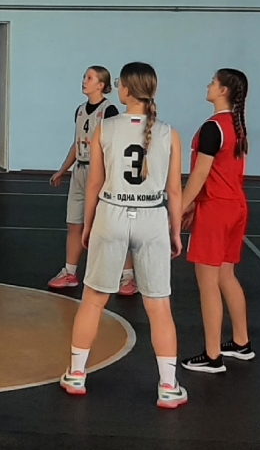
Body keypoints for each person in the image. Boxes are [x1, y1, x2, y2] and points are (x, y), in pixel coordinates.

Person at [59, 62, 188, 408]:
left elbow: (94, 184)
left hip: (112, 212)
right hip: (152, 216)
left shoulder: (106, 127)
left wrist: (89, 225)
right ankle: (168, 386)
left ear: (127, 90)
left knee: (93, 300)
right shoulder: (169, 134)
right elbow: (175, 191)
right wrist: (176, 231)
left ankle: (76, 374)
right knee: (159, 306)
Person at [179, 68, 254, 375]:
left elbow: (201, 173)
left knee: (208, 283)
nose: (208, 85)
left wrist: (180, 207)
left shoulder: (213, 127)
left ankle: (212, 356)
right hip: (235, 206)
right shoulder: (235, 125)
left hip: (217, 210)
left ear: (223, 90)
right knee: (226, 276)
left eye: (213, 82)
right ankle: (241, 342)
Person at [47, 67, 122, 291]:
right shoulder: (80, 110)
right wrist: (63, 169)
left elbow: (114, 146)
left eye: (89, 78)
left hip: (99, 171)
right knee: (74, 223)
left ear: (101, 85)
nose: (84, 81)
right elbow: (77, 143)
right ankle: (70, 272)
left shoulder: (109, 111)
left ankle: (125, 275)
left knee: (106, 225)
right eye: (84, 77)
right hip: (79, 170)